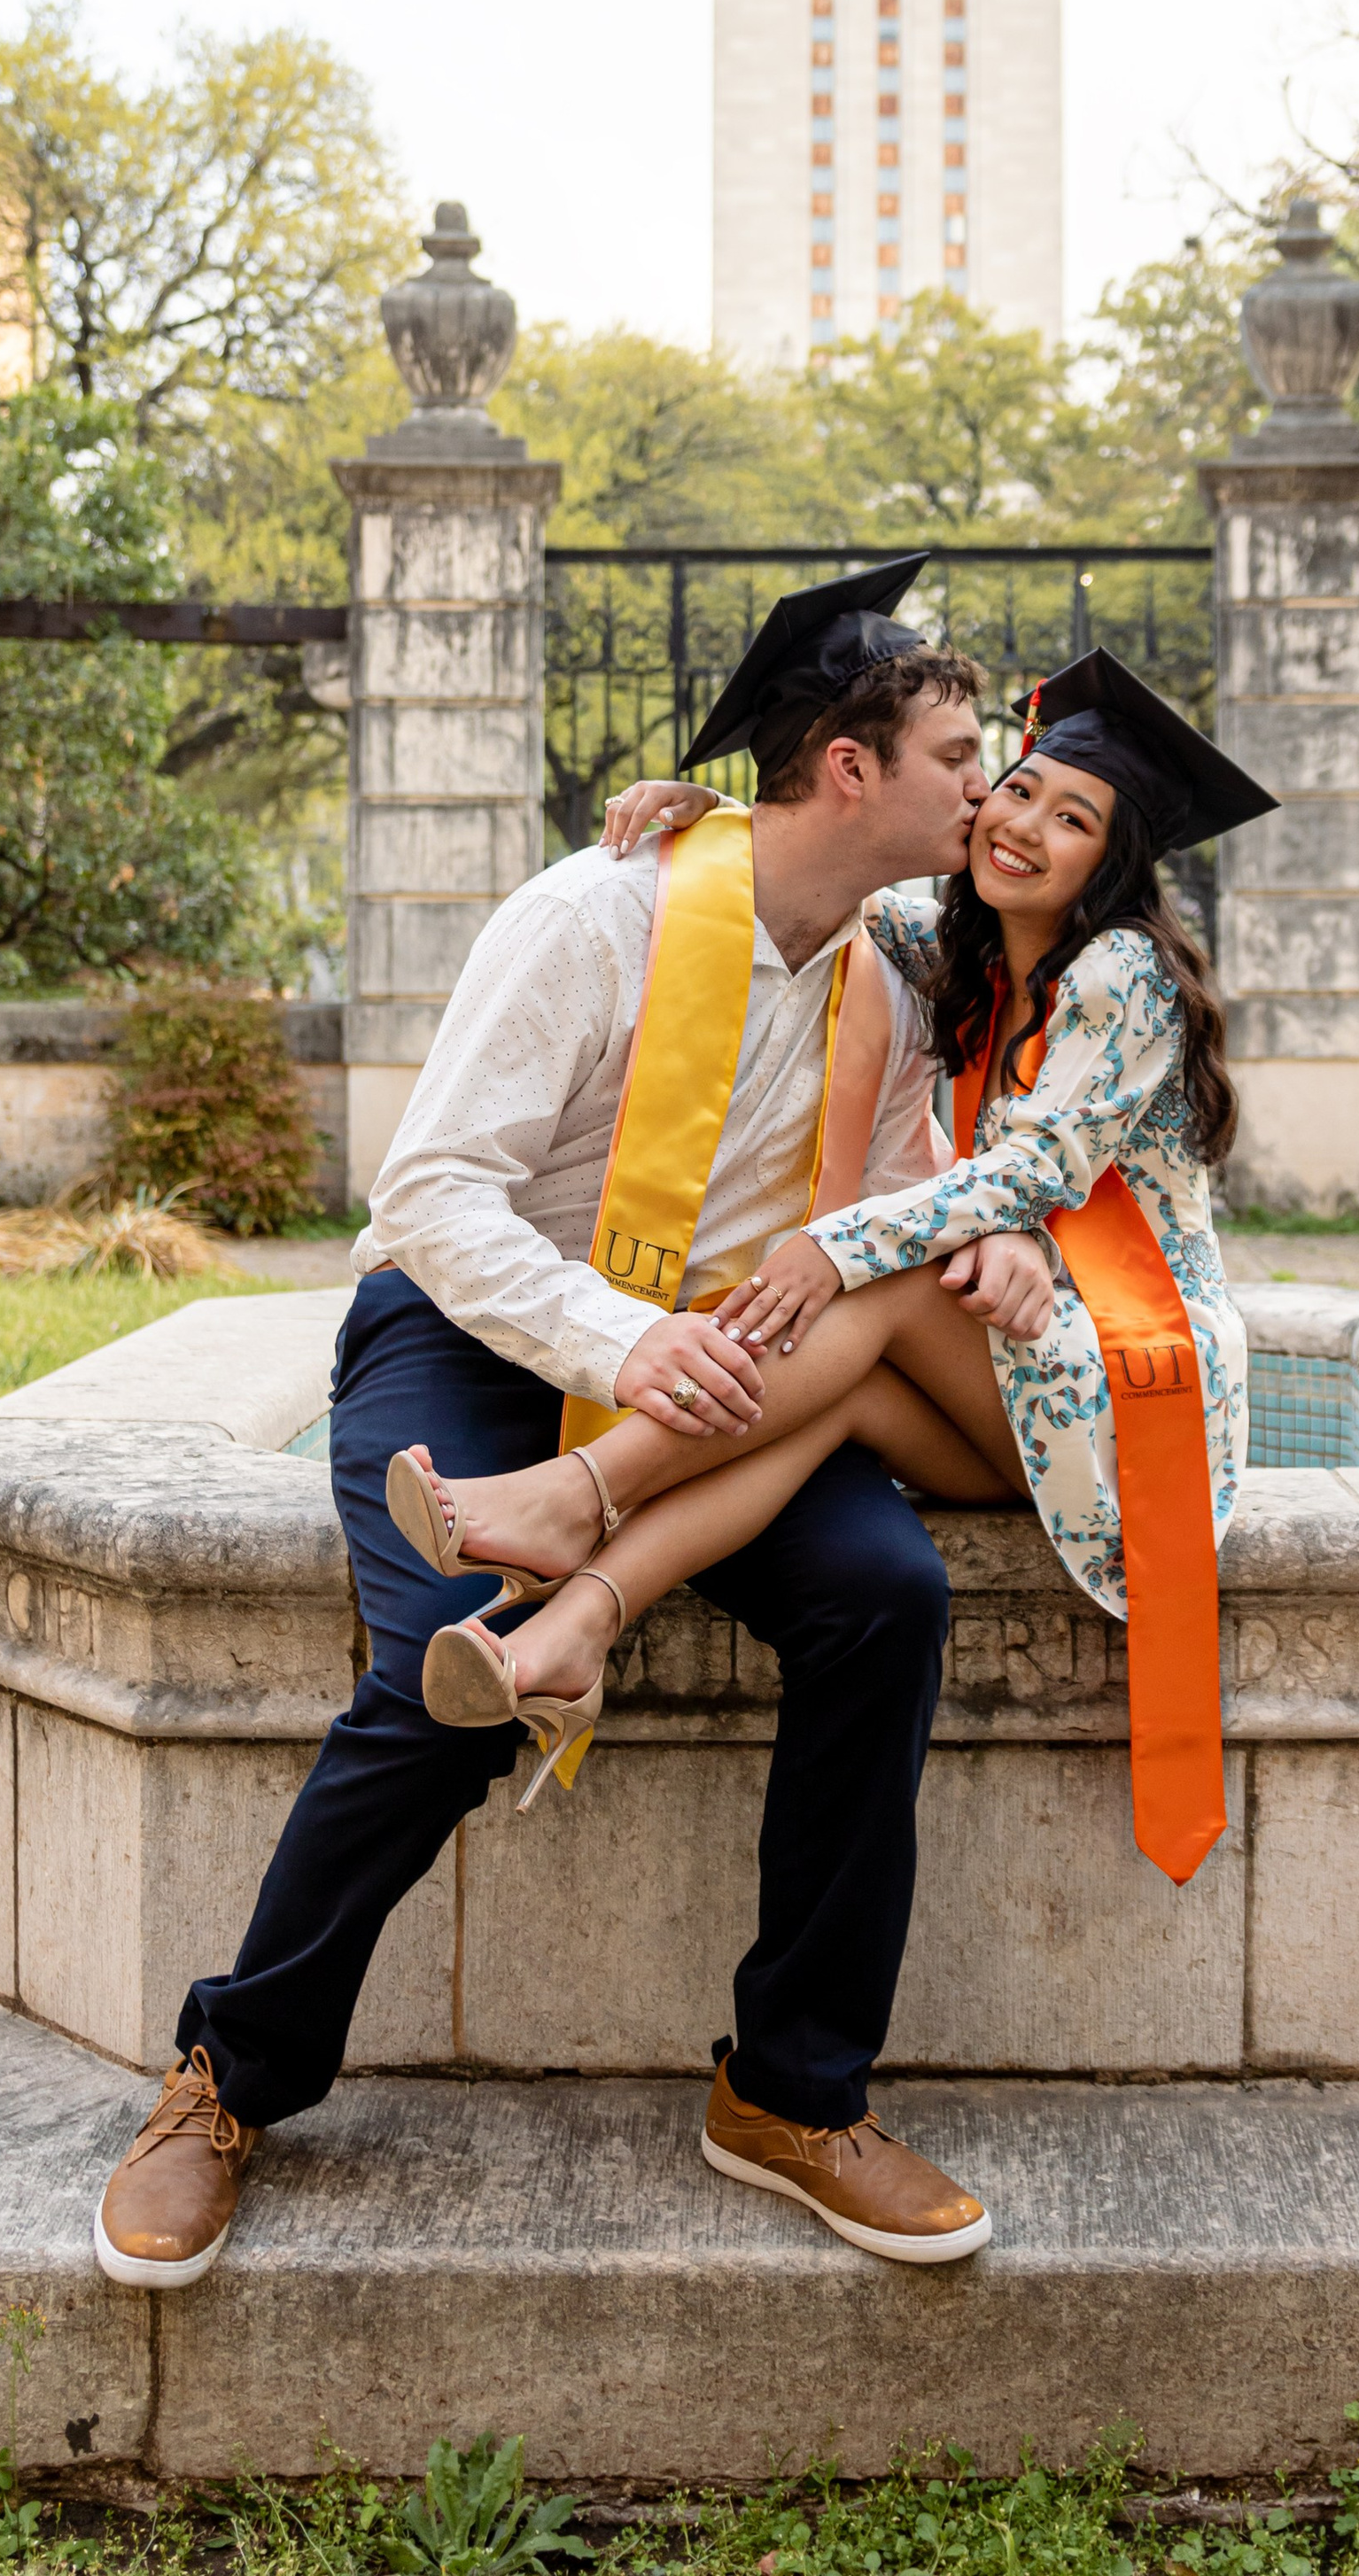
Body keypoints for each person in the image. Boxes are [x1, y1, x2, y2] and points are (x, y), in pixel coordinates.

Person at [92, 561, 1051, 2293]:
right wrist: (626, 1336)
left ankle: (790, 2087)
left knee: (885, 1598)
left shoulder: (886, 980)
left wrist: (972, 1229)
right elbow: (434, 1195)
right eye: (956, 755)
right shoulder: (592, 916)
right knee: (454, 1663)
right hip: (470, 1330)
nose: (980, 786)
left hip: (703, 1378)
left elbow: (883, 1202)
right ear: (850, 770)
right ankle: (227, 2075)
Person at [406, 647, 1277, 1905]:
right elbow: (816, 874)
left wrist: (830, 1243)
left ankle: (577, 1490)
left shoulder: (1123, 975)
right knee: (837, 1392)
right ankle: (583, 1616)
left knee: (867, 1290)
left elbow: (1026, 1173)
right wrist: (707, 817)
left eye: (1071, 817)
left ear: (1116, 861)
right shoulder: (958, 937)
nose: (1017, 818)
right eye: (1016, 785)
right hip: (1016, 1370)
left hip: (1131, 1399)